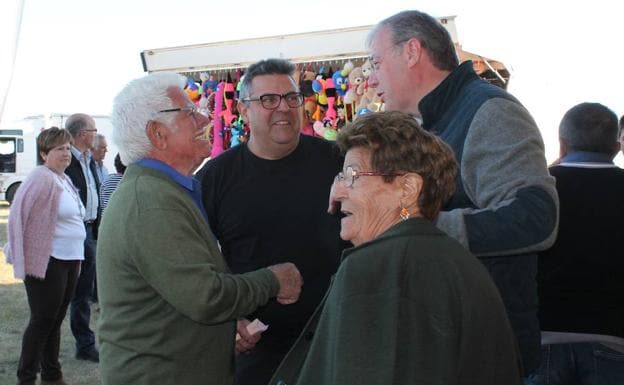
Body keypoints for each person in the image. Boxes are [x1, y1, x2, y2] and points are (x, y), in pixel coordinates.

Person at [328, 10, 559, 376]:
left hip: (483, 356)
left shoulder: (489, 111)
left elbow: (536, 218)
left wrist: (411, 226)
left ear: (412, 51)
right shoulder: (430, 123)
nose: (370, 79)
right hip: (441, 349)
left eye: (375, 62)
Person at [271, 111, 522, 385]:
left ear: (407, 189)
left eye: (353, 176)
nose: (337, 192)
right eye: (340, 176)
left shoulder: (375, 267)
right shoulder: (457, 262)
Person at [97, 71, 303, 385]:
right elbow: (206, 297)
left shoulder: (161, 192)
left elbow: (183, 292)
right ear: (158, 134)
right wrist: (274, 280)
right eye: (190, 113)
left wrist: (227, 325)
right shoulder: (151, 201)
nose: (204, 121)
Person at [196, 58, 347, 385]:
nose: (283, 108)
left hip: (335, 337)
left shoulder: (337, 160)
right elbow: (193, 258)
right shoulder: (215, 177)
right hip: (258, 347)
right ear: (244, 109)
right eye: (268, 99)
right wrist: (229, 315)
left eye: (292, 98)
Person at [535, 103, 624, 385]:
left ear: (561, 144)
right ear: (616, 146)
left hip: (542, 337)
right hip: (614, 340)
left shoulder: (539, 189)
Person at [4, 127, 86, 385]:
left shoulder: (62, 178)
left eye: (67, 148)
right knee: (42, 321)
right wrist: (19, 252)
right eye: (59, 149)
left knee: (55, 319)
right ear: (43, 153)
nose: (66, 153)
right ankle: (26, 378)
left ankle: (52, 375)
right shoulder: (41, 177)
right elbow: (19, 215)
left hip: (70, 259)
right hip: (48, 261)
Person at [64, 113, 101, 362]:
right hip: (71, 232)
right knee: (74, 292)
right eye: (93, 130)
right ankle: (84, 344)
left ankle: (85, 344)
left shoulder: (89, 159)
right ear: (82, 134)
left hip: (88, 230)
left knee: (83, 291)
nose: (96, 134)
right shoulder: (65, 159)